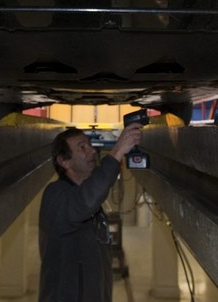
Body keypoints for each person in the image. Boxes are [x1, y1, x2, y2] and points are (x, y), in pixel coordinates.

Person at [38, 122, 143, 302]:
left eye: (90, 145)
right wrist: (117, 152)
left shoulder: (88, 202)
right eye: (82, 147)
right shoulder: (55, 195)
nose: (92, 151)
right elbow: (85, 201)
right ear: (64, 161)